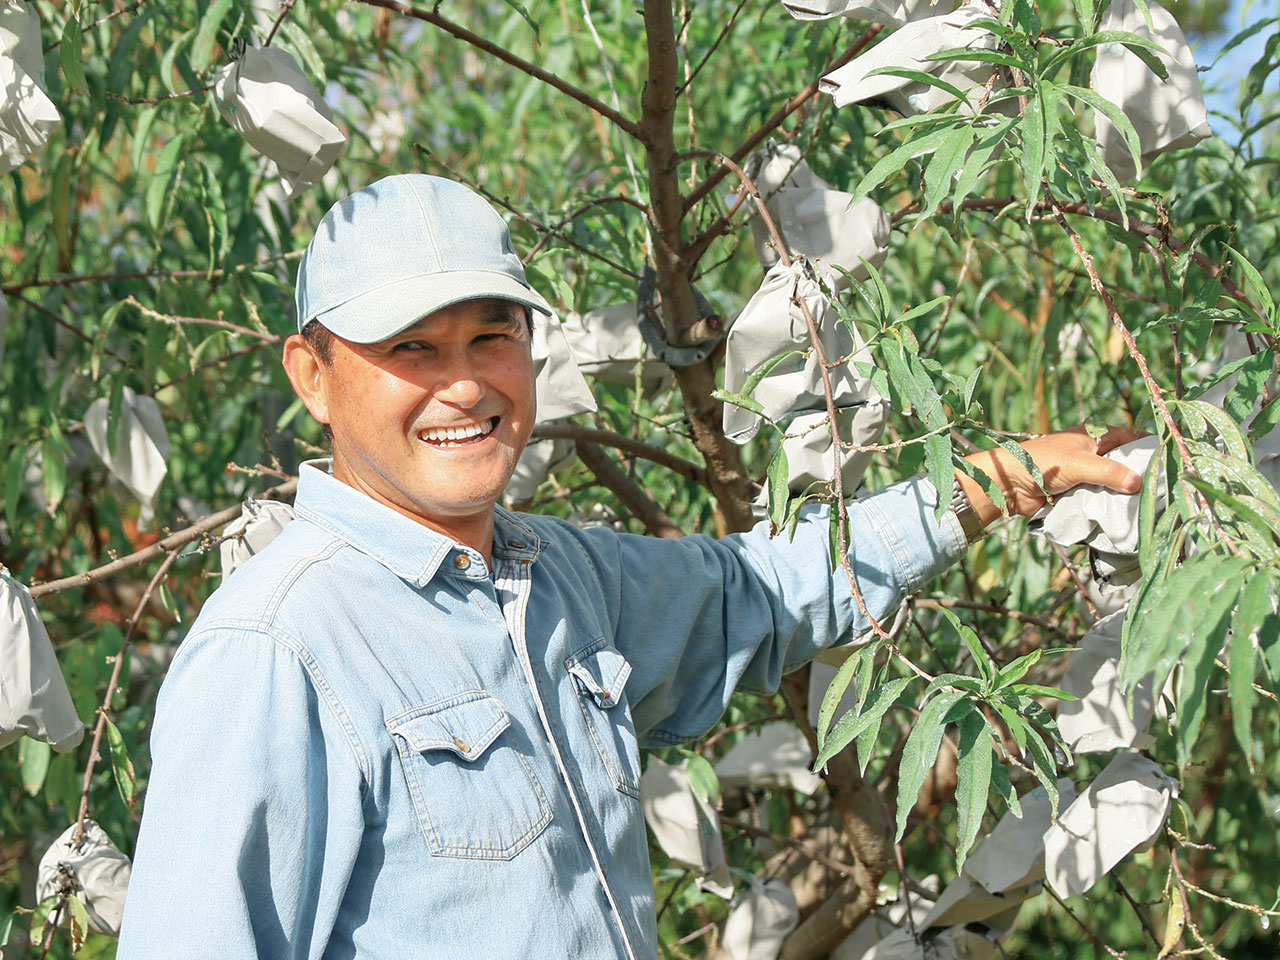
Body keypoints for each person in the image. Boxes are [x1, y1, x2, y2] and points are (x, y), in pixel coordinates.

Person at [116, 174, 1142, 958]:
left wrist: (993, 480)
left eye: (491, 337)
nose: (465, 385)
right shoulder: (277, 650)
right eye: (413, 352)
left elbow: (762, 590)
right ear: (313, 376)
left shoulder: (559, 579)